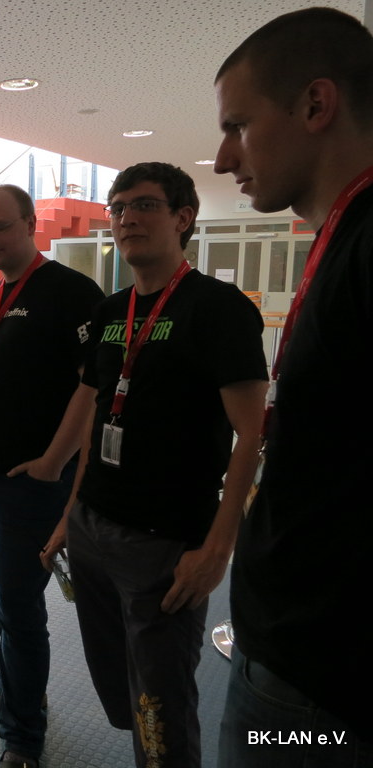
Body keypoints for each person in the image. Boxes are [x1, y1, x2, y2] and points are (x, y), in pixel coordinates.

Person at [40, 162, 268, 768]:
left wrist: (218, 550)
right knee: (121, 691)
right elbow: (96, 421)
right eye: (117, 208)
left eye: (143, 205)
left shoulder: (218, 309)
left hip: (164, 544)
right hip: (92, 529)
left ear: (182, 217)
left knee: (159, 710)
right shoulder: (111, 313)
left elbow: (252, 434)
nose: (126, 219)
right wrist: (69, 516)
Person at [213, 8, 373, 765]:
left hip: (317, 692)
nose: (223, 157)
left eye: (238, 126)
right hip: (296, 659)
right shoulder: (342, 240)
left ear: (315, 104)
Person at [0, 184, 104, 768]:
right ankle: (18, 691)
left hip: (30, 484)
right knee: (1, 593)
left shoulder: (70, 292)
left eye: (1, 227)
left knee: (17, 605)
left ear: (31, 224)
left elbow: (93, 388)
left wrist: (55, 462)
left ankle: (23, 737)